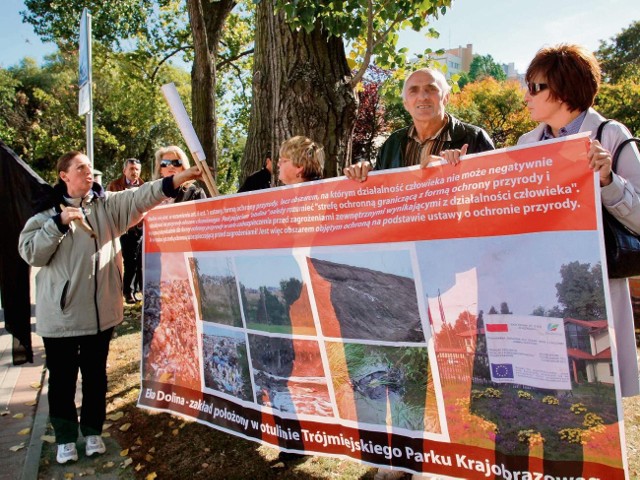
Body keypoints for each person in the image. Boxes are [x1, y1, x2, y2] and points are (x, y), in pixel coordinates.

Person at [18, 150, 203, 465]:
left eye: (90, 167)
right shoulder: (43, 214)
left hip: (100, 315)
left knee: (95, 377)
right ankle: (64, 438)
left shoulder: (106, 207)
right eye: (81, 167)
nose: (88, 171)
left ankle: (91, 433)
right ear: (64, 175)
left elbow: (140, 196)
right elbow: (31, 254)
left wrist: (179, 178)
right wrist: (58, 223)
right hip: (60, 318)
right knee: (62, 381)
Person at [518, 43, 640, 398]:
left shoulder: (611, 136)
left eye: (534, 87)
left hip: (593, 287)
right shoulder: (527, 143)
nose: (526, 96)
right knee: (545, 402)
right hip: (540, 286)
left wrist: (608, 181)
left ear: (563, 89)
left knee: (593, 401)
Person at [344, 67, 494, 182]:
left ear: (446, 97)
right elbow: (381, 196)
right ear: (405, 104)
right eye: (413, 91)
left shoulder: (475, 138)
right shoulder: (393, 143)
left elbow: (495, 192)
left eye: (431, 89)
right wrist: (365, 174)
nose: (422, 97)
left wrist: (458, 171)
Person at [107, 158, 145, 303]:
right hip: (122, 230)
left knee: (138, 263)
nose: (134, 172)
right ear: (124, 171)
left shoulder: (144, 186)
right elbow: (109, 207)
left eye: (136, 169)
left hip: (139, 230)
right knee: (128, 262)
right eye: (131, 169)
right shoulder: (115, 186)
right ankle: (127, 292)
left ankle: (135, 290)